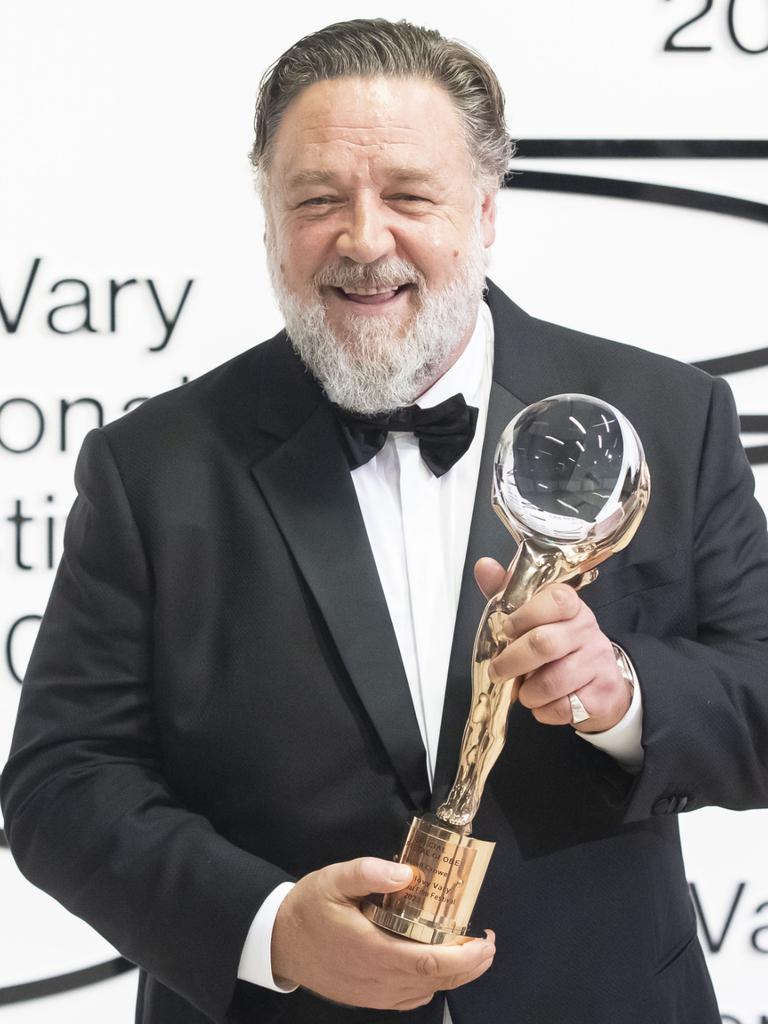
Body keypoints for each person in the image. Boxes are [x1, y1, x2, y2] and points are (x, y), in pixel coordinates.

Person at [3, 17, 768, 1024]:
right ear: (269, 220)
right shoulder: (152, 468)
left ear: (487, 207)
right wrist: (271, 928)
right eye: (317, 199)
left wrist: (620, 691)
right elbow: (63, 783)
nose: (363, 239)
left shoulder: (667, 417)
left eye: (409, 195)